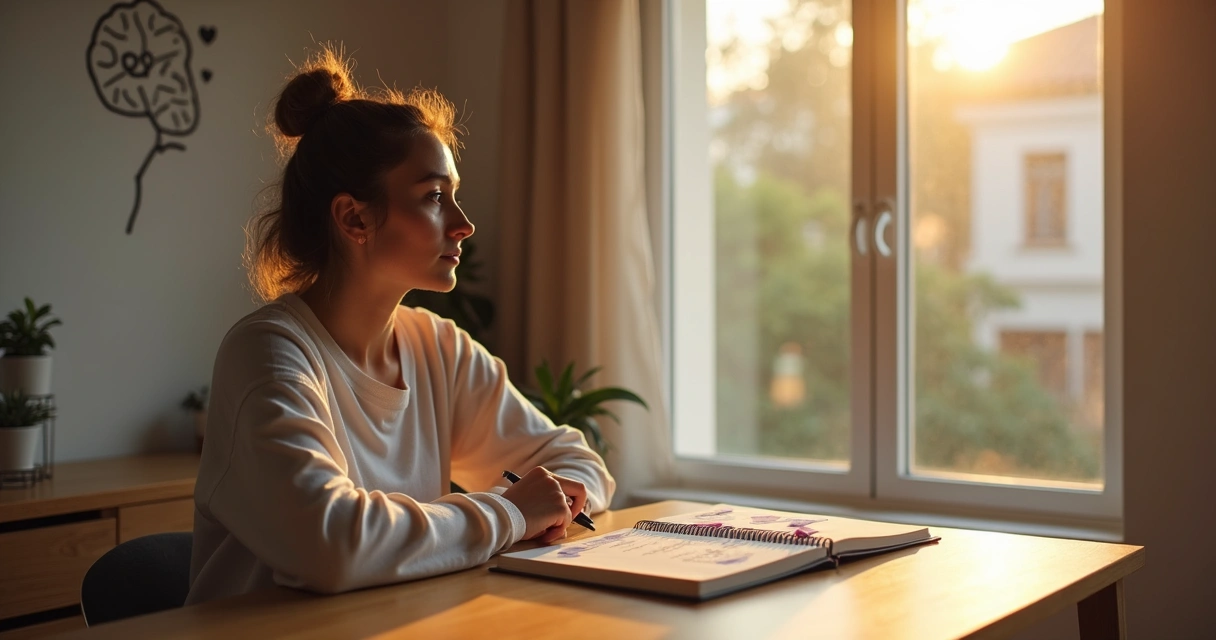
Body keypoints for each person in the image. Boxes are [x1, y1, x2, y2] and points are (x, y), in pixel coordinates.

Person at [186, 48, 615, 605]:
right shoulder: (268, 355)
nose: (464, 224)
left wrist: (559, 497)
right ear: (354, 218)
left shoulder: (438, 348)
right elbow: (331, 544)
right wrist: (510, 512)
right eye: (435, 197)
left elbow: (580, 462)